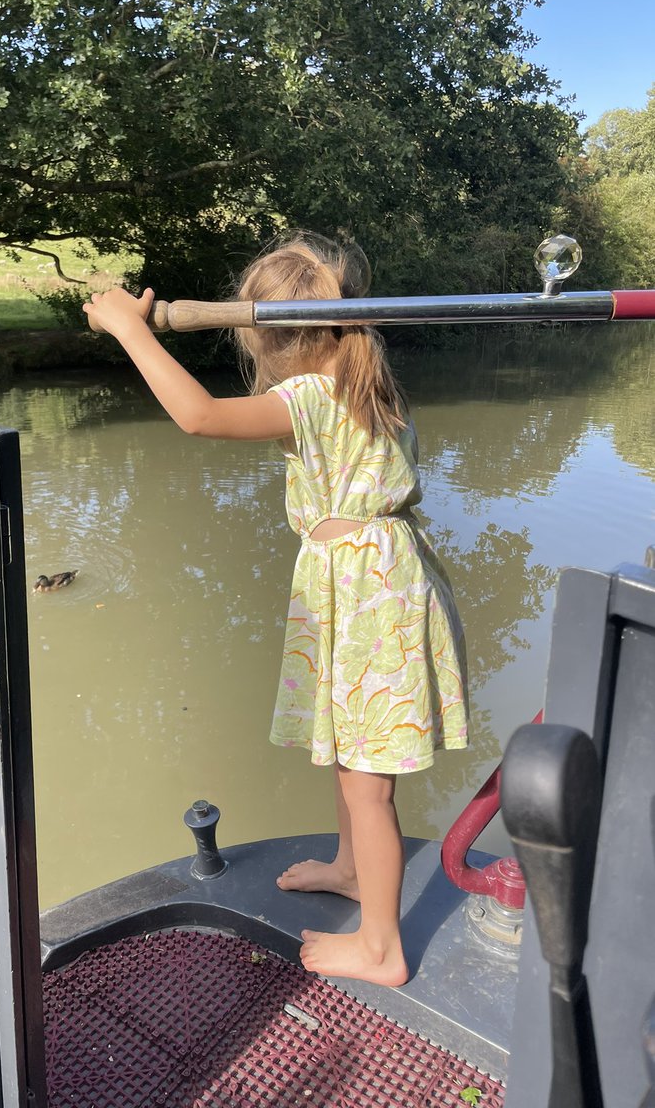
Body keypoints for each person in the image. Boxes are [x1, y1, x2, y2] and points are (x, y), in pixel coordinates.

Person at [83, 232, 469, 988]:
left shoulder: (313, 398)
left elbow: (196, 416)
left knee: (369, 782)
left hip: (368, 595)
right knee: (352, 754)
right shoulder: (365, 385)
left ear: (271, 340)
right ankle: (353, 869)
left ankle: (381, 946)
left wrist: (130, 329)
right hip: (366, 585)